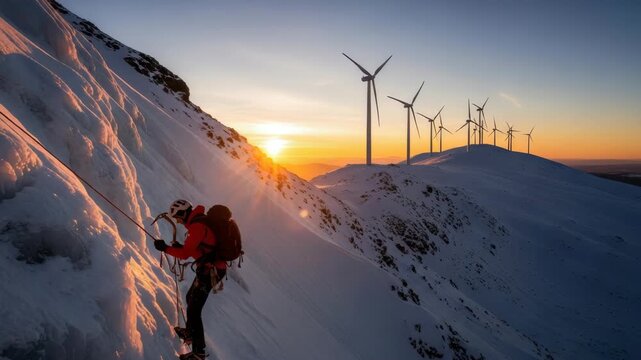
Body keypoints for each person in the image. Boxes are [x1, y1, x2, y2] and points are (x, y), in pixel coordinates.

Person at [154, 199, 227, 360]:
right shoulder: (198, 222)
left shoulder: (197, 226)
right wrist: (181, 248)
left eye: (177, 217)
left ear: (183, 213)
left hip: (211, 271)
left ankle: (198, 353)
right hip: (210, 269)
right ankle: (189, 332)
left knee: (195, 309)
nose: (178, 221)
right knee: (190, 298)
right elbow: (199, 250)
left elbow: (185, 254)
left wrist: (165, 248)